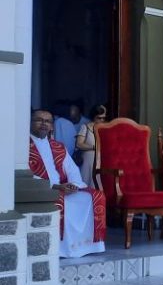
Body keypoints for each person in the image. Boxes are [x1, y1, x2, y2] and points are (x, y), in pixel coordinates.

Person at [28, 109, 106, 258]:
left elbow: (72, 170)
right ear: (30, 123)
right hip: (44, 189)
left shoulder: (58, 147)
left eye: (48, 121)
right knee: (62, 201)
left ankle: (88, 246)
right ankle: (61, 249)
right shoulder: (23, 147)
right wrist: (56, 187)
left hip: (64, 188)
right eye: (39, 120)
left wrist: (74, 185)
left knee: (96, 196)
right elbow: (25, 175)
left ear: (52, 126)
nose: (44, 124)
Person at [75, 105, 108, 188]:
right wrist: (94, 147)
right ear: (93, 117)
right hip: (89, 160)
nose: (101, 120)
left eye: (103, 118)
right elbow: (79, 144)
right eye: (99, 118)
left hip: (103, 159)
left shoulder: (107, 127)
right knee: (87, 182)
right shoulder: (85, 127)